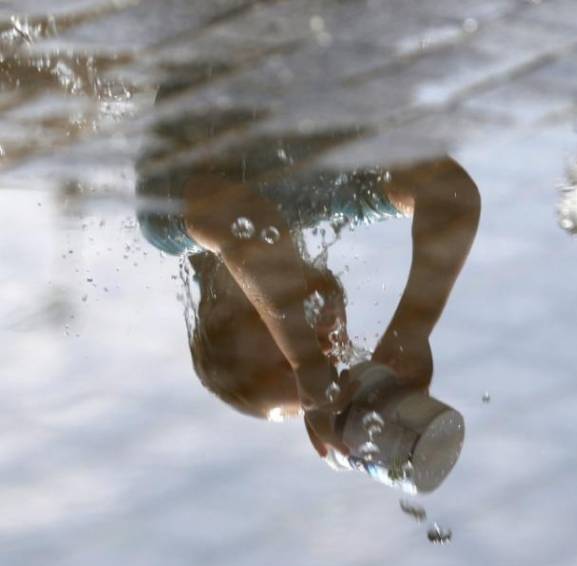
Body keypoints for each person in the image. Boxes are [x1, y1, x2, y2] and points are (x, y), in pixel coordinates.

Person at [136, 71, 480, 492]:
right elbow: (449, 194)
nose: (326, 352)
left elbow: (246, 227)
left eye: (284, 354)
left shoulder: (168, 225)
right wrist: (413, 328)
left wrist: (305, 362)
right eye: (331, 364)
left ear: (224, 308)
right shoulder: (340, 193)